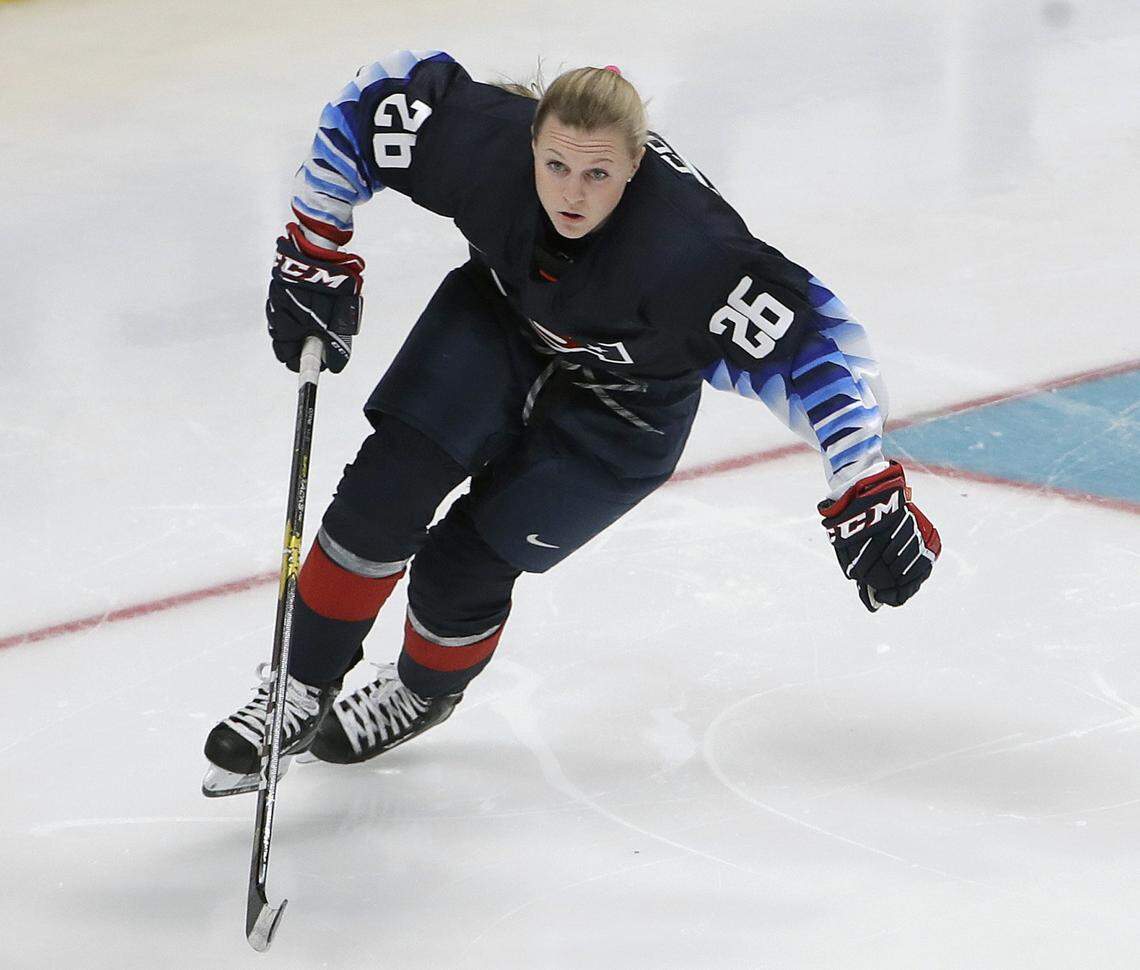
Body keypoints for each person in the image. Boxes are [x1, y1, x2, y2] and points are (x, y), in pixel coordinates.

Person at [202, 51, 941, 797]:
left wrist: (861, 476)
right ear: (530, 143)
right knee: (386, 489)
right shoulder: (481, 145)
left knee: (464, 566)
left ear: (635, 166)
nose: (572, 194)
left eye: (597, 175)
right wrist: (312, 247)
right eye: (555, 165)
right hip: (500, 316)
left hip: (629, 405)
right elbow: (372, 103)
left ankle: (424, 692)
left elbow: (820, 349)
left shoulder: (689, 252)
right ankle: (296, 687)